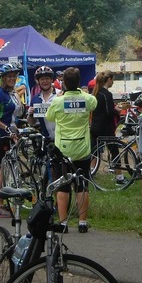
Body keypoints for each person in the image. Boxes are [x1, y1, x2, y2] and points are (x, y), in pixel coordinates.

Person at [46, 66, 97, 233]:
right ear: (79, 81)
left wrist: (61, 96)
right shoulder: (87, 99)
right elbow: (94, 105)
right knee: (82, 185)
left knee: (63, 186)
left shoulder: (58, 101)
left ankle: (63, 222)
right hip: (82, 148)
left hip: (64, 150)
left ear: (64, 83)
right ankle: (82, 222)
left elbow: (49, 117)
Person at [0, 64, 26, 218]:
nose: (12, 79)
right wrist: (6, 127)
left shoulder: (12, 93)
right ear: (2, 78)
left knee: (4, 168)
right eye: (9, 76)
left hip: (8, 135)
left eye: (14, 76)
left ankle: (1, 203)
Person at [90, 70, 126, 185]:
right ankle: (119, 177)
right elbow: (108, 112)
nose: (113, 82)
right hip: (105, 127)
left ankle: (91, 172)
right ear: (109, 80)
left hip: (95, 126)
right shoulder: (107, 94)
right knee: (114, 151)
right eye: (113, 80)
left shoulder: (96, 92)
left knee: (93, 152)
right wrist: (117, 111)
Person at [27, 66, 57, 139]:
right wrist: (31, 114)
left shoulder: (60, 94)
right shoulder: (35, 99)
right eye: (42, 79)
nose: (45, 81)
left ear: (51, 80)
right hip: (46, 139)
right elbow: (32, 123)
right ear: (38, 81)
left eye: (47, 78)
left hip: (62, 138)